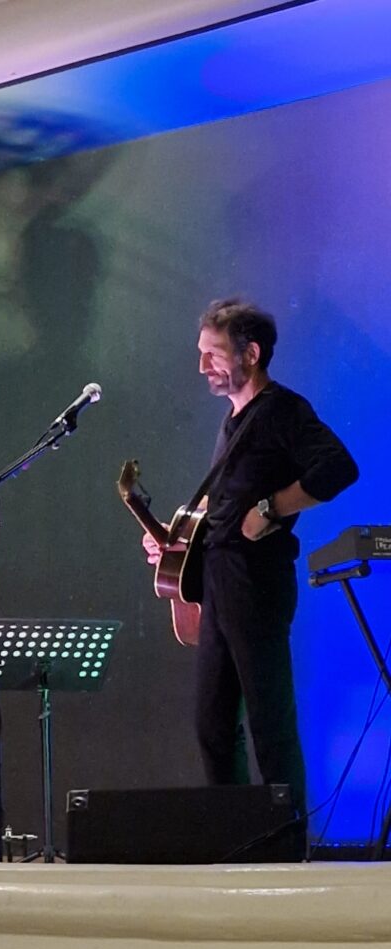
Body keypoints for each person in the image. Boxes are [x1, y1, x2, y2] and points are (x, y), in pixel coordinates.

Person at [142, 298, 359, 824]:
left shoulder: (282, 409)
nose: (202, 366)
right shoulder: (234, 420)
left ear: (252, 353)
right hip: (220, 586)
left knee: (269, 724)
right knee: (213, 727)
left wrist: (272, 508)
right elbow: (221, 512)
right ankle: (234, 838)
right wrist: (173, 542)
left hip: (256, 584)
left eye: (213, 354)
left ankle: (287, 842)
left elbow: (338, 467)